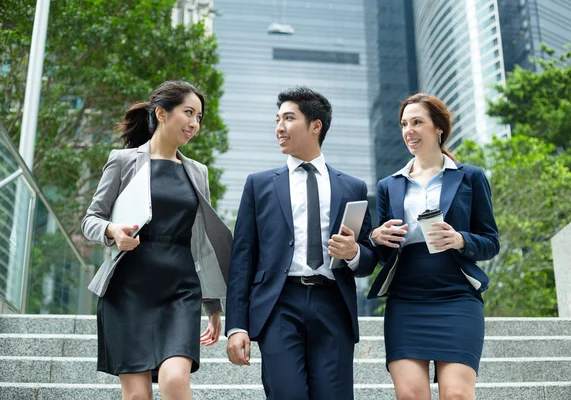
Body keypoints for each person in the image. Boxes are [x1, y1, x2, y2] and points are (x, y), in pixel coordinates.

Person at [82, 81, 232, 400]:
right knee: (137, 396)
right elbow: (90, 220)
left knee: (175, 381)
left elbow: (200, 241)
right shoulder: (123, 161)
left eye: (199, 117)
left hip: (180, 289)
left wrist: (213, 305)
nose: (194, 123)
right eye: (188, 113)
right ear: (162, 113)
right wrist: (113, 232)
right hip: (127, 288)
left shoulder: (197, 172)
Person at [225, 86, 377, 399]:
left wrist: (353, 254)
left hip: (333, 304)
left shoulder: (352, 187)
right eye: (277, 119)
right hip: (279, 304)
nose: (279, 127)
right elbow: (242, 258)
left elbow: (370, 258)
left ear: (315, 126)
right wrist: (236, 325)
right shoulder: (259, 185)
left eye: (288, 118)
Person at [367, 93, 499, 400]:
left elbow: (491, 242)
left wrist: (460, 239)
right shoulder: (390, 185)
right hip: (406, 299)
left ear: (438, 128)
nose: (408, 130)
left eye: (417, 122)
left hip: (457, 296)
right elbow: (385, 254)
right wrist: (377, 237)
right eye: (403, 124)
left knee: (457, 395)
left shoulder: (471, 177)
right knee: (411, 396)